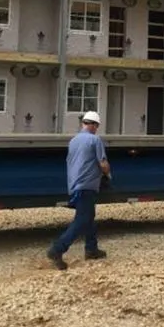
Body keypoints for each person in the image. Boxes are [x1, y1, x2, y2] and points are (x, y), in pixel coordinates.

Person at [46, 110, 111, 270]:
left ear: (83, 123)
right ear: (95, 125)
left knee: (89, 216)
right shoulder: (95, 140)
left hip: (75, 184)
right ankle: (57, 249)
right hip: (87, 185)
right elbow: (102, 163)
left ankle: (91, 249)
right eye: (96, 126)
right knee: (82, 219)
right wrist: (108, 175)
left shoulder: (73, 141)